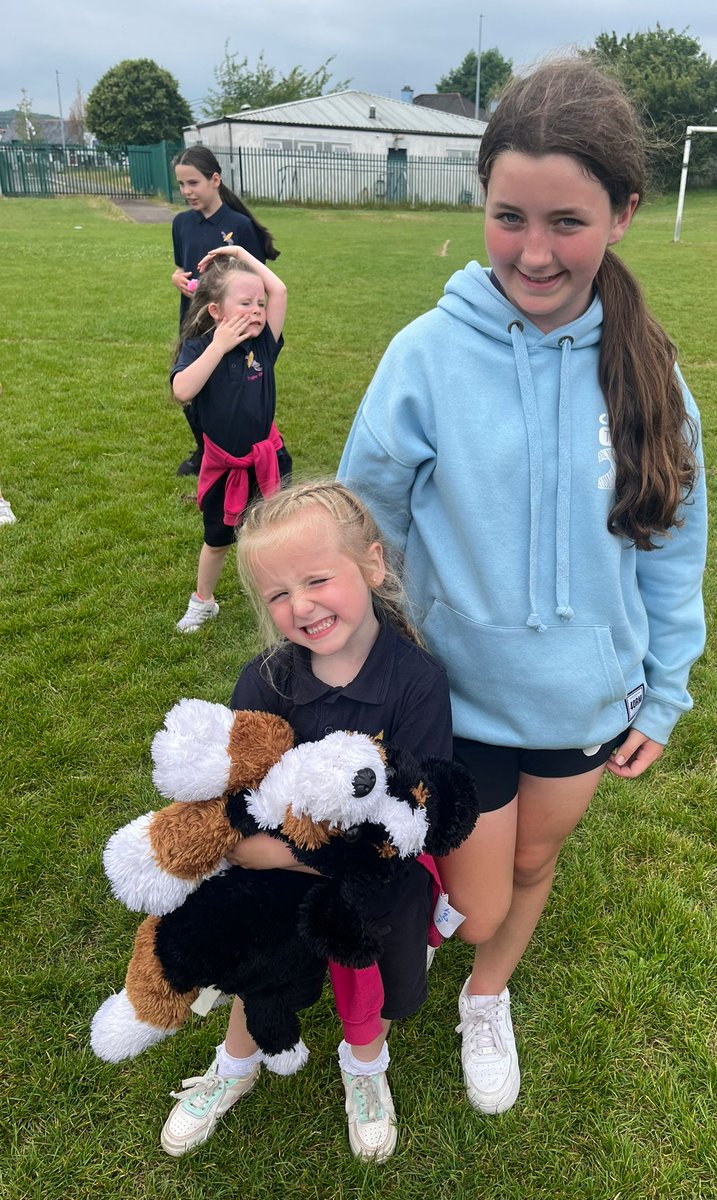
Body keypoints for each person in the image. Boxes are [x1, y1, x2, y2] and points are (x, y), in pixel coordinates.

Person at [339, 57, 708, 1116]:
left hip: (586, 699)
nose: (535, 252)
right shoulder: (425, 354)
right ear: (482, 200)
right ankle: (422, 939)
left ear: (625, 213)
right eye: (510, 216)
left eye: (568, 221)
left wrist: (667, 688)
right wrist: (379, 656)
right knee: (477, 885)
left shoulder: (648, 371)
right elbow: (369, 519)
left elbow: (671, 543)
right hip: (453, 693)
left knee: (536, 863)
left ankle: (485, 999)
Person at [160, 480, 453, 1161]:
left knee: (366, 952)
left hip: (379, 872)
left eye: (318, 578)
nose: (302, 606)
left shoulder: (417, 681)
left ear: (372, 565)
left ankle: (365, 1065)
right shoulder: (264, 680)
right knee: (253, 932)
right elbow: (233, 795)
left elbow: (418, 815)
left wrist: (287, 859)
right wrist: (250, 853)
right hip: (273, 858)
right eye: (279, 594)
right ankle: (235, 1064)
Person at [170, 245, 291, 633]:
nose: (257, 310)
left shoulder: (264, 344)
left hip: (268, 460)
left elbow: (280, 290)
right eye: (245, 303)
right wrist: (219, 347)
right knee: (218, 540)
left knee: (274, 534)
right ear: (216, 312)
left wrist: (240, 252)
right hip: (226, 469)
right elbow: (182, 390)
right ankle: (204, 602)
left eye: (260, 303)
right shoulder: (201, 348)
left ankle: (285, 596)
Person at [170, 146, 280, 477]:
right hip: (197, 320)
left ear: (215, 179)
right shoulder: (180, 224)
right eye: (181, 185)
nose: (187, 192)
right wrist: (176, 277)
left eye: (194, 183)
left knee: (233, 385)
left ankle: (239, 447)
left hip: (235, 321)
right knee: (195, 388)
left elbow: (256, 281)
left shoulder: (239, 226)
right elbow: (180, 266)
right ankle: (206, 450)